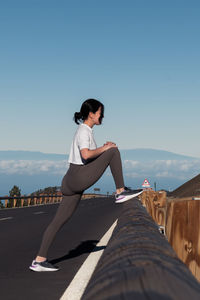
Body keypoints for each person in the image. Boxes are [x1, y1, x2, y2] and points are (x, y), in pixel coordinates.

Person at [29, 99, 143, 272]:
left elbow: (88, 156)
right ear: (91, 114)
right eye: (100, 113)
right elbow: (86, 154)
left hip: (70, 180)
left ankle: (39, 260)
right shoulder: (84, 131)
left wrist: (103, 148)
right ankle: (120, 191)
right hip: (77, 177)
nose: (102, 116)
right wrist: (106, 149)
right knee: (113, 151)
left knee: (57, 222)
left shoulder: (84, 130)